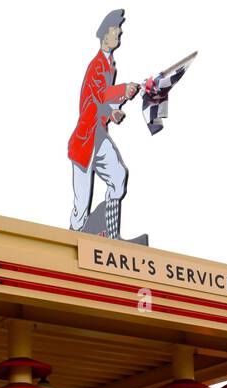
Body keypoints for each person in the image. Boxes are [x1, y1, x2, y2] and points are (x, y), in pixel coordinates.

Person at [68, 9, 140, 238]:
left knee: (118, 176)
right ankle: (73, 241)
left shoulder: (109, 65)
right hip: (85, 141)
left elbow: (100, 101)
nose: (119, 32)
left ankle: (110, 233)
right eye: (115, 29)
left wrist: (114, 110)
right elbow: (96, 96)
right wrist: (122, 90)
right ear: (104, 35)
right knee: (81, 204)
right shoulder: (97, 65)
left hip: (98, 135)